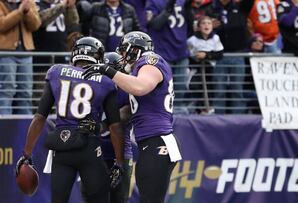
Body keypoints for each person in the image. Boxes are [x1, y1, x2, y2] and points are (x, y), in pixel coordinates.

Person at [15, 37, 125, 203]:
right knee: (100, 198)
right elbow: (115, 127)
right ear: (98, 57)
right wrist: (120, 162)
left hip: (62, 148)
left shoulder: (56, 71)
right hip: (89, 149)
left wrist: (26, 154)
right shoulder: (105, 81)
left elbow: (39, 118)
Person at [82, 31, 182, 203]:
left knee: (150, 200)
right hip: (149, 142)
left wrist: (107, 70)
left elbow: (141, 87)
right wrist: (101, 126)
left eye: (123, 51)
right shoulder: (137, 71)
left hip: (158, 141)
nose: (121, 56)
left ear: (134, 49)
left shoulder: (150, 60)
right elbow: (127, 112)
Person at [81, 52, 133, 203]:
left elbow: (123, 115)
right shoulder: (92, 88)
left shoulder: (126, 91)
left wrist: (99, 125)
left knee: (118, 199)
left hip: (120, 156)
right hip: (94, 154)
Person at [146, 0, 193, 114]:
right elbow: (155, 25)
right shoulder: (152, 2)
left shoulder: (183, 1)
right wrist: (168, 9)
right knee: (164, 88)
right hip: (163, 53)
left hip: (181, 52)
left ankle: (180, 114)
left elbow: (190, 25)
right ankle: (163, 113)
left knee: (182, 87)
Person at [0, 0, 41, 115]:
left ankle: (25, 128)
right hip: (5, 54)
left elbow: (36, 25)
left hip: (26, 54)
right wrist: (20, 12)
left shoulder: (28, 2)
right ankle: (4, 126)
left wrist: (27, 11)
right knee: (7, 91)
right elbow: (2, 25)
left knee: (26, 92)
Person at [187, 15, 223, 114]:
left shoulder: (215, 38)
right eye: (203, 23)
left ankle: (208, 108)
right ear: (199, 26)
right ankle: (198, 108)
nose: (206, 25)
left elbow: (219, 54)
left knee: (212, 87)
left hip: (211, 68)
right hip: (196, 69)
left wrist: (206, 55)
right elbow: (188, 54)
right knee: (196, 86)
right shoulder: (192, 39)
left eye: (209, 23)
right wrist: (196, 57)